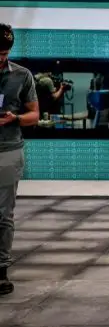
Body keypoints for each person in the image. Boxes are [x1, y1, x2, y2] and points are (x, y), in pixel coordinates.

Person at [0, 24, 40, 296]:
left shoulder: (22, 76)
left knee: (3, 215)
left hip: (8, 150)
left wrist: (15, 119)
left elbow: (34, 115)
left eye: (4, 53)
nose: (0, 58)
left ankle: (1, 271)